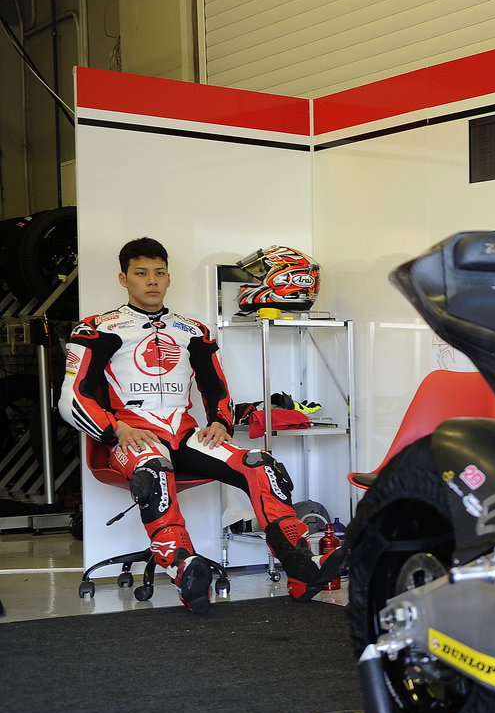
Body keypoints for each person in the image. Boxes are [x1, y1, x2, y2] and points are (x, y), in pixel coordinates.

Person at [60, 237, 343, 613]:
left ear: (169, 278)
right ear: (123, 278)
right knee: (153, 468)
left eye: (159, 273)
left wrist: (221, 423)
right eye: (141, 273)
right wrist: (115, 430)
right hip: (133, 435)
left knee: (261, 463)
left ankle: (299, 567)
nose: (152, 281)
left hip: (185, 435)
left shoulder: (193, 330)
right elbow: (71, 398)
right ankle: (183, 567)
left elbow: (217, 388)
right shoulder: (96, 328)